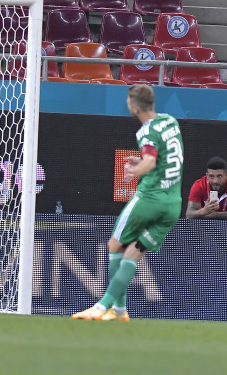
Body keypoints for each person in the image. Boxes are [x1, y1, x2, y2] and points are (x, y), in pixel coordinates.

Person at [72, 84, 183, 321]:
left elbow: (151, 161)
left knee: (115, 245)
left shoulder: (145, 132)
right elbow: (160, 155)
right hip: (173, 204)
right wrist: (141, 160)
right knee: (133, 253)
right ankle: (120, 312)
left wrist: (135, 171)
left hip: (150, 199)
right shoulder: (171, 121)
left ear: (133, 106)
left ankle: (102, 307)